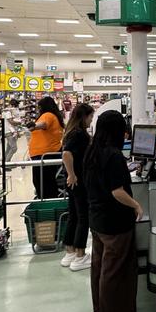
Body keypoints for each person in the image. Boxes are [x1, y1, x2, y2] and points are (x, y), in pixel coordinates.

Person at [84, 110, 142, 312]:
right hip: (115, 222)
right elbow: (117, 191)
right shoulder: (114, 155)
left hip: (97, 219)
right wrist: (136, 205)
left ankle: (100, 311)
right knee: (115, 272)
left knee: (99, 267)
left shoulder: (93, 150)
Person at [60, 103, 94, 272]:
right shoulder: (79, 134)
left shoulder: (70, 132)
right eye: (90, 117)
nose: (91, 120)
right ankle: (80, 256)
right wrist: (72, 174)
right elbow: (66, 154)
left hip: (73, 182)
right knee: (83, 217)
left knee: (74, 215)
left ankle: (70, 251)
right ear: (84, 117)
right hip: (78, 181)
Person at [29, 96, 64, 199]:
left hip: (44, 155)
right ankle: (51, 201)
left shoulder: (48, 115)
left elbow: (43, 124)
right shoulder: (55, 116)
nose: (38, 109)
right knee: (48, 181)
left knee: (42, 182)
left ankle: (46, 203)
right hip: (48, 153)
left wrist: (34, 126)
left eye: (39, 107)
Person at [3, 98, 23, 165]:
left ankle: (5, 162)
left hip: (13, 131)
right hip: (9, 131)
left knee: (9, 148)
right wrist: (20, 122)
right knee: (14, 148)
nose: (15, 107)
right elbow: (11, 122)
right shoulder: (8, 112)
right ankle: (7, 164)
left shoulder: (13, 111)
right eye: (14, 105)